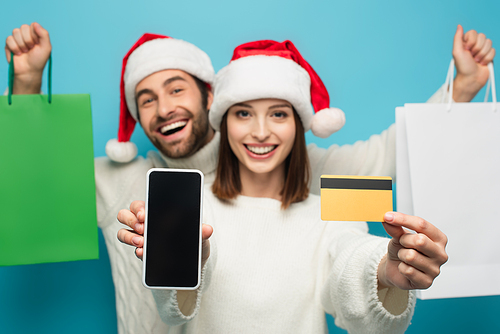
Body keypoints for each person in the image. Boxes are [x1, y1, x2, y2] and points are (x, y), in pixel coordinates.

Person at [5, 22, 494, 333]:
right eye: (145, 99)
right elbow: (33, 188)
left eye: (176, 87)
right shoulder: (121, 179)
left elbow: (382, 167)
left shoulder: (283, 168)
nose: (162, 107)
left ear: (208, 99)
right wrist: (26, 85)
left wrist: (460, 90)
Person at [116, 39, 449, 333]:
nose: (260, 132)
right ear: (224, 123)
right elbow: (173, 311)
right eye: (244, 114)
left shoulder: (329, 207)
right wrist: (193, 259)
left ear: (299, 125)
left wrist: (384, 271)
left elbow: (349, 253)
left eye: (278, 114)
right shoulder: (194, 205)